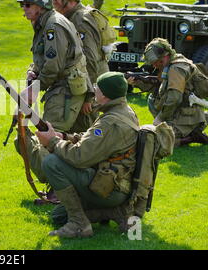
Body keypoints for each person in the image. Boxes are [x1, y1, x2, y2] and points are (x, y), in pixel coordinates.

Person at [35, 72, 139, 238]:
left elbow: (79, 157)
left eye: (97, 87)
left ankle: (79, 224)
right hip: (116, 184)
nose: (94, 88)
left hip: (110, 189)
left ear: (104, 95)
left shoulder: (110, 122)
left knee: (51, 162)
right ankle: (114, 212)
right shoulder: (123, 110)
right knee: (58, 216)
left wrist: (52, 142)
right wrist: (66, 137)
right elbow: (93, 140)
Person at [17, 0, 91, 134]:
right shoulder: (46, 23)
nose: (23, 8)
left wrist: (35, 88)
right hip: (68, 86)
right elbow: (45, 56)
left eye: (27, 4)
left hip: (66, 88)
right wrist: (33, 71)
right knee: (71, 140)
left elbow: (53, 65)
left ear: (40, 5)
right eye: (22, 5)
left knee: (49, 136)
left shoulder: (53, 26)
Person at [47, 0, 111, 132]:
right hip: (85, 84)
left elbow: (89, 59)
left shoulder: (80, 21)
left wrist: (88, 97)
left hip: (93, 85)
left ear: (69, 0)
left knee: (87, 132)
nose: (53, 1)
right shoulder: (71, 18)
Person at [129, 38, 208, 147]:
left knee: (157, 140)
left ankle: (191, 137)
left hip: (186, 115)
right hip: (181, 113)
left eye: (155, 62)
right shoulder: (169, 65)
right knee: (152, 101)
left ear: (165, 56)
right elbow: (159, 90)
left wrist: (160, 118)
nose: (154, 65)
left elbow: (174, 98)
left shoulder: (176, 69)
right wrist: (136, 83)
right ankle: (196, 125)